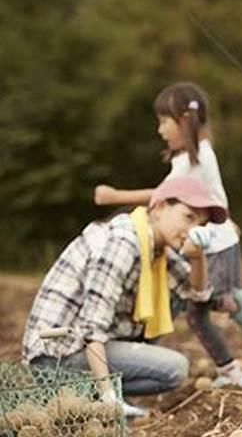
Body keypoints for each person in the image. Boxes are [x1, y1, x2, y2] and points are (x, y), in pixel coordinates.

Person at [94, 82, 242, 390]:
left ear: (184, 120)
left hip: (213, 246)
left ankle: (231, 350)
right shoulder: (193, 158)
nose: (160, 130)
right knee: (183, 303)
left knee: (193, 312)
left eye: (164, 121)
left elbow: (164, 195)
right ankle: (225, 310)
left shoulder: (197, 159)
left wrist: (114, 196)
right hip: (215, 242)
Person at [23, 176, 227, 416]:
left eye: (200, 226)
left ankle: (84, 397)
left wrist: (197, 256)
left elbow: (198, 294)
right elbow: (92, 329)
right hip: (55, 358)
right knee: (175, 368)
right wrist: (110, 396)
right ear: (160, 207)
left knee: (174, 300)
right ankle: (92, 396)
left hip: (80, 351)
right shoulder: (124, 242)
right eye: (188, 217)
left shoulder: (158, 249)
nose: (192, 231)